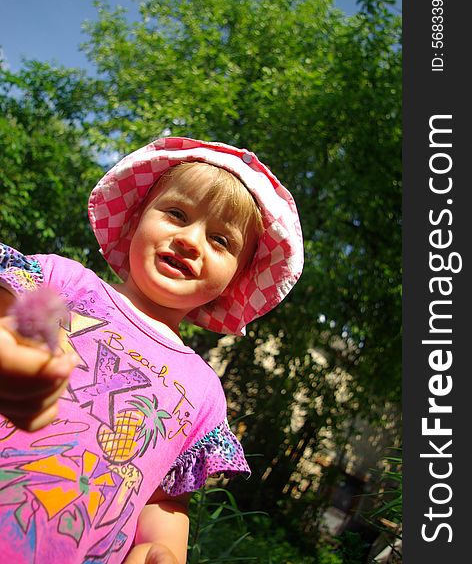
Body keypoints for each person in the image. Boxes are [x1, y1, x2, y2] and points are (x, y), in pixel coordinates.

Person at [0, 136, 304, 564]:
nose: (190, 240)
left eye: (221, 241)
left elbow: (163, 498)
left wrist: (161, 550)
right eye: (177, 214)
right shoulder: (65, 284)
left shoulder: (202, 390)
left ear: (236, 281)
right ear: (138, 218)